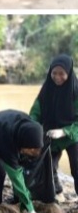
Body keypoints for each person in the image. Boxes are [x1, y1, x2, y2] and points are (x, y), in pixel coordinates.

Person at [29, 55, 78, 198]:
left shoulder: (75, 92)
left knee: (77, 167)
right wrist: (32, 128)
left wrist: (64, 131)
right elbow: (35, 112)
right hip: (50, 133)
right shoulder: (46, 89)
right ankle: (55, 192)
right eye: (54, 73)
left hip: (71, 135)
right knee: (48, 166)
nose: (57, 77)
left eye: (61, 73)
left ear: (68, 74)